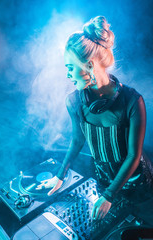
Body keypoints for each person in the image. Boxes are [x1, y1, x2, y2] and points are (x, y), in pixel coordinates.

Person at [36, 16, 153, 220]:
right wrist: (60, 175)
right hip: (103, 181)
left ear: (89, 65)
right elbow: (77, 140)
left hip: (137, 183)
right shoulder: (73, 102)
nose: (68, 75)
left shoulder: (133, 101)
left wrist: (108, 196)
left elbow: (134, 156)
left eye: (70, 67)